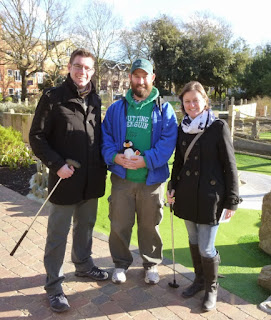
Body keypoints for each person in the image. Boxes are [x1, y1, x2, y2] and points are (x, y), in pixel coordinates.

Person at [29, 48, 108, 313]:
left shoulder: (96, 100)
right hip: (65, 179)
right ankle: (53, 285)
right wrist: (57, 164)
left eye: (87, 68)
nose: (82, 72)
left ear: (93, 71)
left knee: (85, 226)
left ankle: (83, 266)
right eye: (77, 66)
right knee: (57, 235)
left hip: (92, 179)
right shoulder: (52, 98)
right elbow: (37, 137)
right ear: (69, 67)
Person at [101, 58, 178, 285]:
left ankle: (151, 264)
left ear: (153, 78)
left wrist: (146, 161)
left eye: (145, 76)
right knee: (119, 225)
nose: (141, 80)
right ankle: (120, 264)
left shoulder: (164, 109)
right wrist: (114, 157)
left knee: (149, 226)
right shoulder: (116, 108)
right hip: (122, 180)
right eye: (136, 76)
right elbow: (105, 138)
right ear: (130, 78)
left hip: (151, 181)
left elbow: (168, 142)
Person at [167, 81, 242, 312]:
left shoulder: (218, 127)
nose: (191, 105)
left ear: (205, 102)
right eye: (187, 101)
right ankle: (199, 281)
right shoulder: (183, 128)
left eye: (195, 100)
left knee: (206, 248)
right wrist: (172, 185)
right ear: (182, 104)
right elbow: (179, 162)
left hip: (211, 197)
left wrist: (232, 200)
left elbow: (230, 165)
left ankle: (211, 287)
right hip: (187, 194)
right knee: (193, 239)